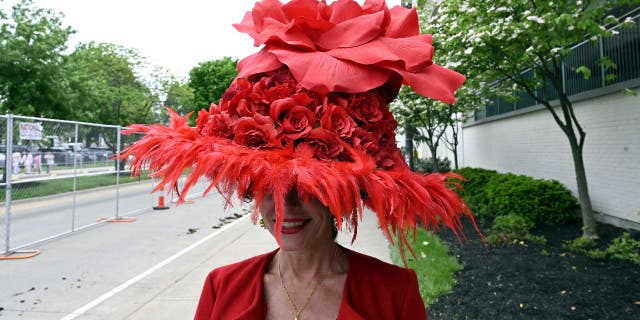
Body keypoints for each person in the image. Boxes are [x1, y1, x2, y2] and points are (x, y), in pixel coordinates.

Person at [121, 0, 476, 319]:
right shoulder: (221, 287)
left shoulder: (393, 293)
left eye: (304, 187)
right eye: (269, 186)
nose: (285, 206)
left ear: (341, 192)